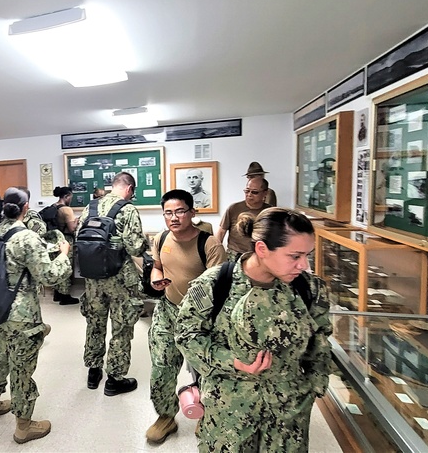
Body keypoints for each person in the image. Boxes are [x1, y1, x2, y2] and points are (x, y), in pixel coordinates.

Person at [175, 208, 333, 451]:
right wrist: (234, 362)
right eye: (294, 256)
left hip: (288, 412)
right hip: (229, 410)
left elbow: (321, 338)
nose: (304, 264)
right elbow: (187, 336)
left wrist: (313, 386)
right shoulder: (215, 284)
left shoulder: (309, 290)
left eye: (307, 255)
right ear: (261, 249)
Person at [0, 187, 72, 444]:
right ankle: (23, 425)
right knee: (21, 367)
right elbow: (50, 276)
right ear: (26, 207)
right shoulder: (27, 237)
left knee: (0, 354)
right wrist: (64, 255)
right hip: (21, 314)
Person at [144, 189, 226, 444]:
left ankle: (209, 414)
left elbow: (220, 288)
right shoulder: (161, 239)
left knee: (205, 369)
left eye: (180, 211)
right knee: (161, 367)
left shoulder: (209, 244)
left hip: (200, 320)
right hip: (167, 311)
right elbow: (157, 267)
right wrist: (156, 280)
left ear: (192, 212)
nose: (174, 217)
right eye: (168, 212)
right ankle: (166, 416)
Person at [76, 172, 146, 396]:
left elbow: (79, 236)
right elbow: (135, 247)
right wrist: (146, 242)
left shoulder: (91, 207)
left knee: (95, 323)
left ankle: (93, 371)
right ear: (129, 189)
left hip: (92, 279)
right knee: (121, 327)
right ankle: (115, 379)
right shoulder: (127, 209)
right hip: (119, 280)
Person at [216, 177, 272, 259]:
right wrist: (217, 253)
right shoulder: (234, 208)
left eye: (254, 192)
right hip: (234, 255)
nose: (249, 195)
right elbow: (221, 232)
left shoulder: (270, 212)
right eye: (247, 191)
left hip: (258, 255)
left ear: (265, 193)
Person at [48, 186, 79, 305]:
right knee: (66, 266)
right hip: (65, 240)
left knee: (57, 265)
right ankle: (65, 296)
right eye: (71, 197)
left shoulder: (53, 207)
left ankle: (57, 293)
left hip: (54, 241)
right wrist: (77, 221)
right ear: (66, 196)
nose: (71, 199)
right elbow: (72, 229)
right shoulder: (66, 210)